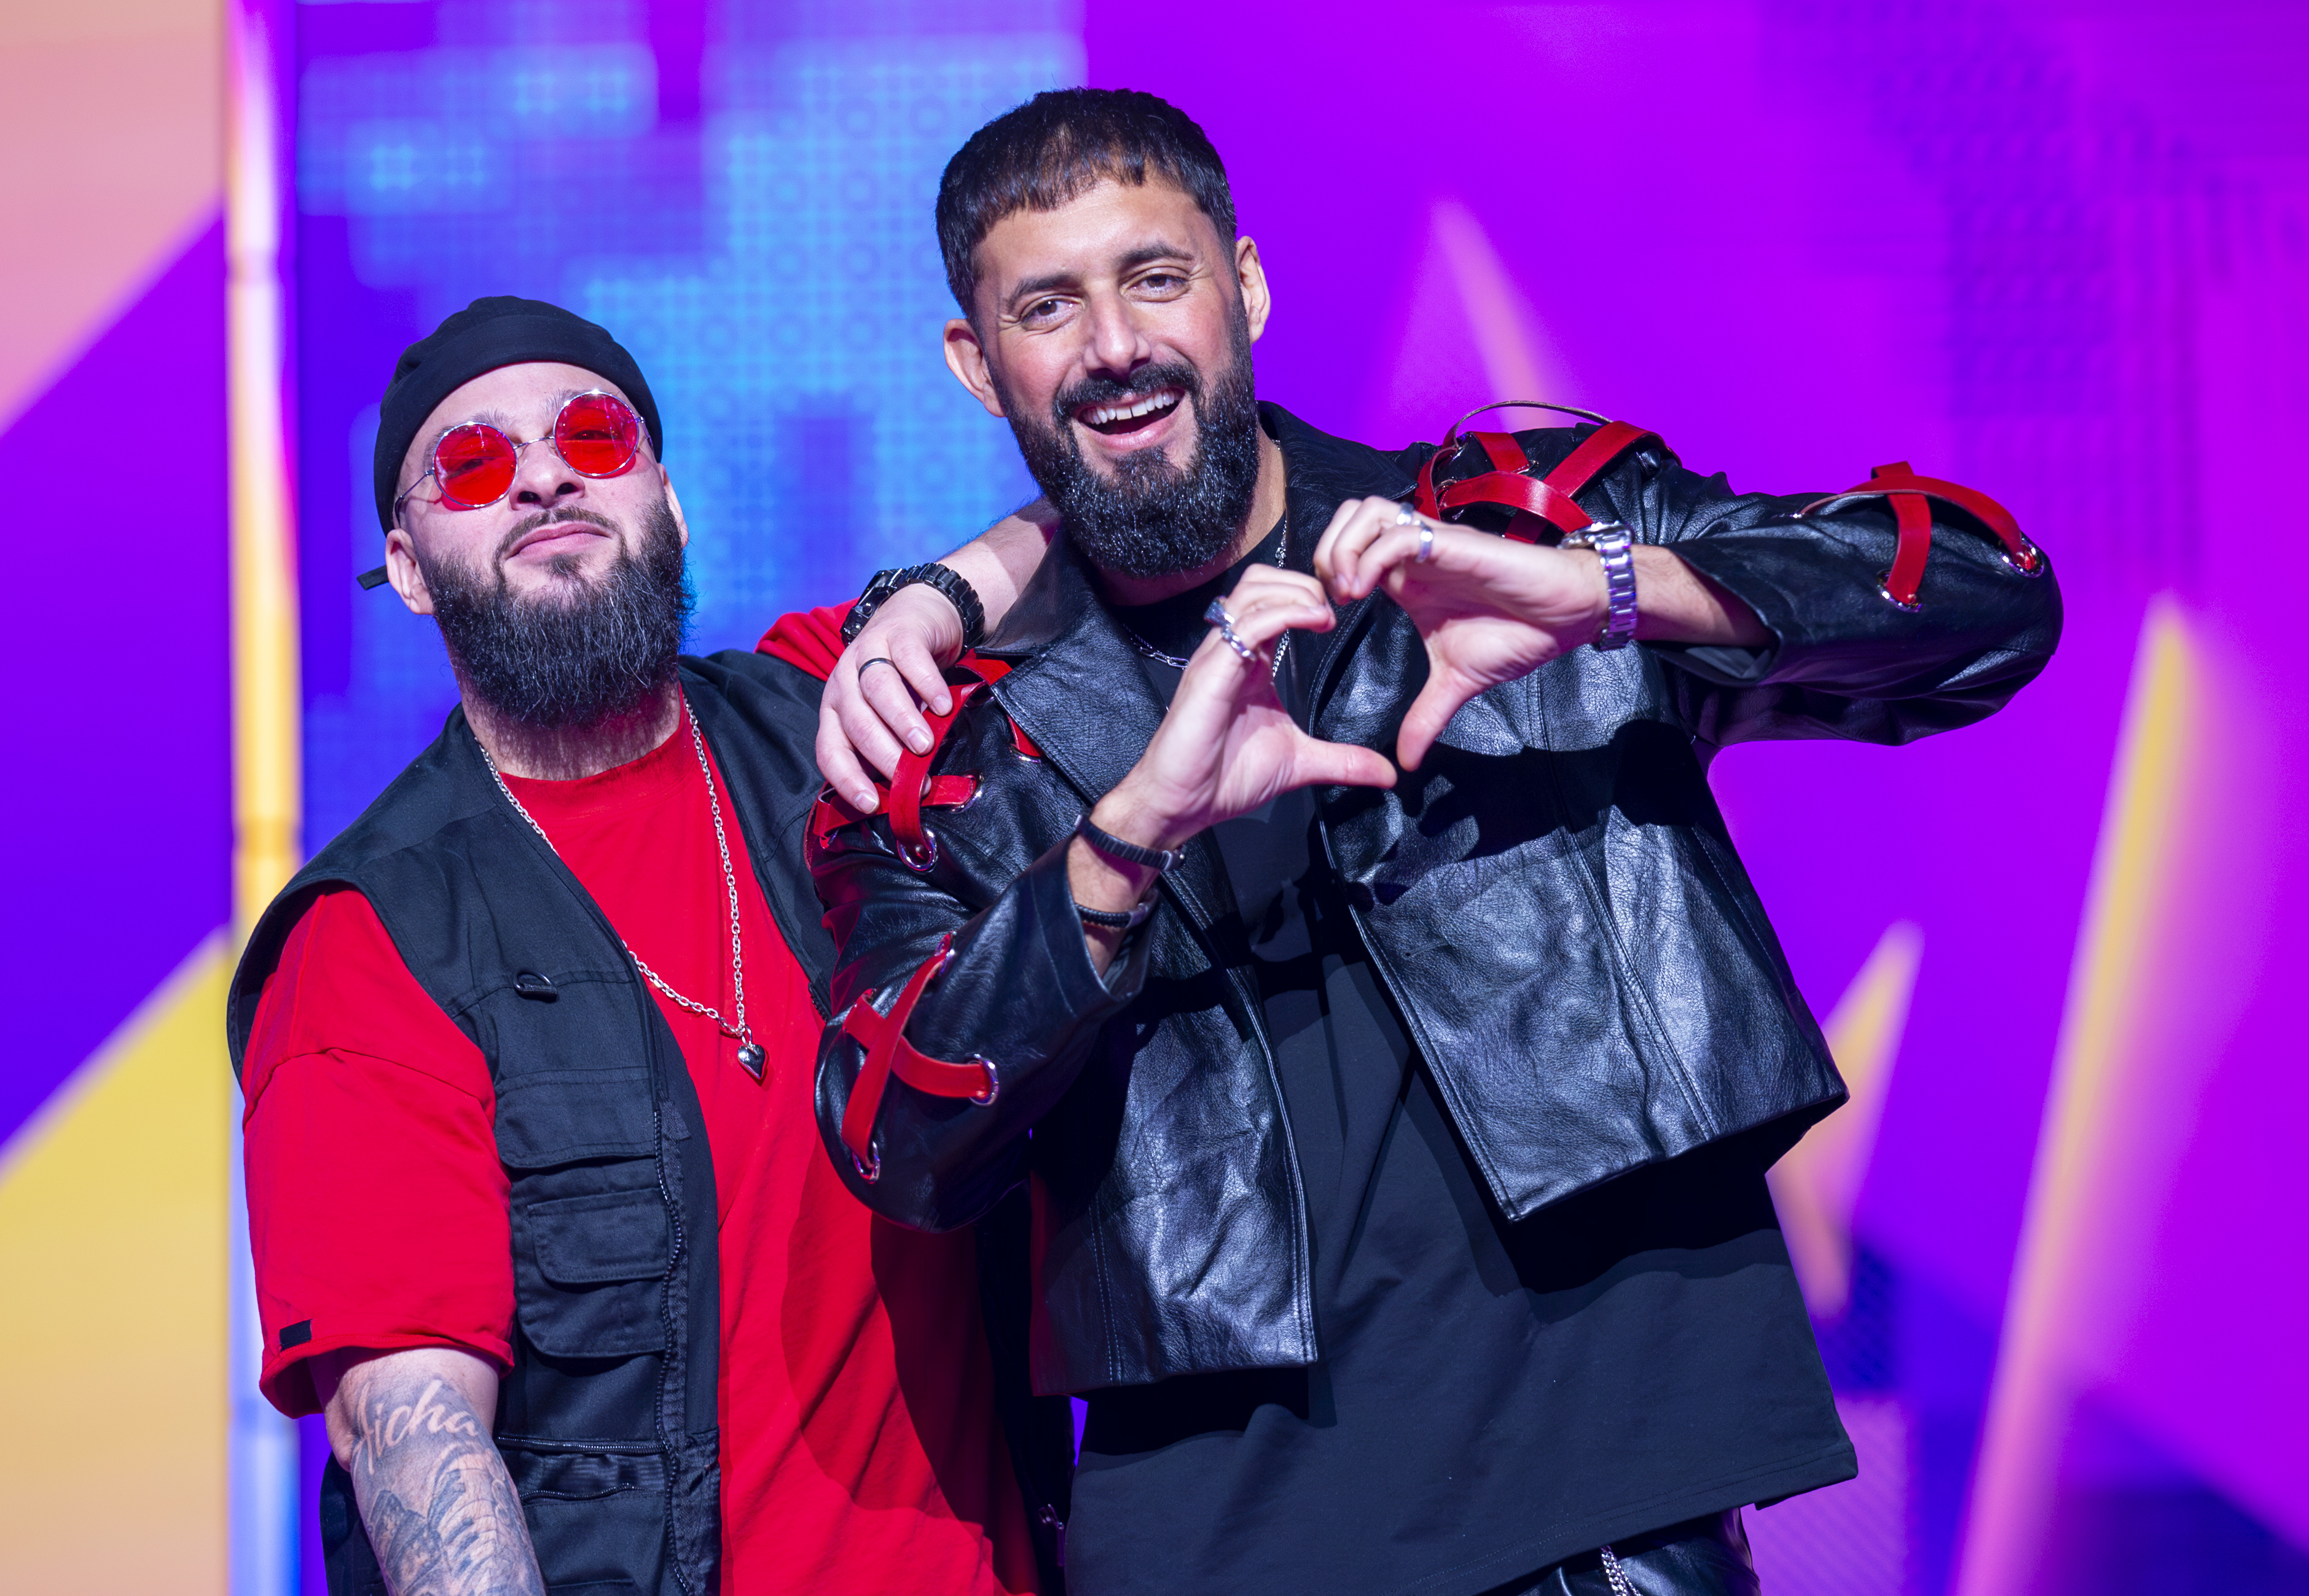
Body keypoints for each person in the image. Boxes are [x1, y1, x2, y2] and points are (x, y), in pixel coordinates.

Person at [807, 90, 2063, 1596]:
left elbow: (1990, 601)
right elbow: (895, 1141)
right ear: (976, 364)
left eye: (1154, 276)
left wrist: (1608, 595)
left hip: (1609, 1509)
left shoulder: (1513, 533)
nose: (1115, 344)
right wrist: (1123, 842)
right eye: (1046, 306)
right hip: (1222, 1549)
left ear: (1244, 286)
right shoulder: (942, 744)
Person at [229, 296, 1064, 1596]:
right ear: (408, 566)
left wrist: (932, 602)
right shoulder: (371, 941)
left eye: (592, 436)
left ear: (666, 501)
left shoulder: (824, 719)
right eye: (473, 465)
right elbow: (414, 1436)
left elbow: (1097, 538)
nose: (544, 476)